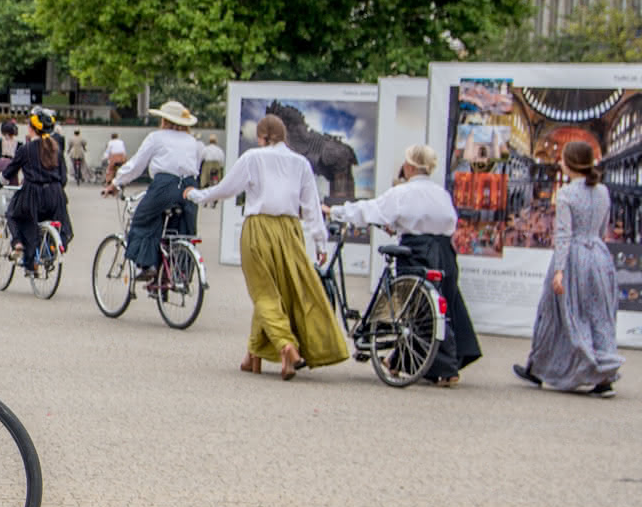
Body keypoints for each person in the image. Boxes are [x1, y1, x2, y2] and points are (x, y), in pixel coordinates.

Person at [187, 113, 347, 379]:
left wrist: (196, 195)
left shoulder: (253, 158)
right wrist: (320, 241)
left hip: (259, 227)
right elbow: (311, 206)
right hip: (290, 229)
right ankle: (254, 356)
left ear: (262, 137)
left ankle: (286, 345)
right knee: (280, 290)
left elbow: (226, 189)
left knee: (263, 292)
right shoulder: (301, 163)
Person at [327, 144, 480, 387]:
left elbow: (371, 209)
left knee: (416, 311)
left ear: (409, 166)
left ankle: (443, 367)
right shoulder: (441, 194)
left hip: (416, 252)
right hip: (444, 254)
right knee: (444, 307)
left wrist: (335, 211)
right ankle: (402, 361)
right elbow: (446, 221)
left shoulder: (403, 193)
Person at [515, 141, 624, 396]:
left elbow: (563, 235)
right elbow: (601, 229)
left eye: (563, 159)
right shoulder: (603, 192)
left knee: (556, 313)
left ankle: (539, 368)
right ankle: (603, 377)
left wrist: (560, 270)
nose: (560, 162)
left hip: (573, 257)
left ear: (571, 163)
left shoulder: (566, 194)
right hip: (598, 256)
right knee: (599, 315)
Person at [107, 101, 202, 279]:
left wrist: (116, 182)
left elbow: (136, 165)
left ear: (164, 120)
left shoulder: (156, 137)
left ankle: (146, 265)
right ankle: (178, 274)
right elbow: (194, 167)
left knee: (143, 219)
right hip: (189, 187)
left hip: (164, 186)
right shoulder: (192, 141)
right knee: (181, 231)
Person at [3, 111, 73, 273]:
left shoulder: (26, 149)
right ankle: (49, 249)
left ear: (32, 128)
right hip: (56, 196)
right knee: (50, 222)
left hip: (33, 195)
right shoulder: (56, 148)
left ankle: (19, 244)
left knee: (12, 214)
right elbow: (63, 177)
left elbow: (9, 172)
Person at [199, 135, 226, 203]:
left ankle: (205, 194)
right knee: (217, 180)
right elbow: (222, 160)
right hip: (216, 165)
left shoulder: (206, 148)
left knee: (204, 179)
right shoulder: (219, 149)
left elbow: (201, 157)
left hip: (208, 165)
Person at [101, 130, 128, 196]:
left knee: (110, 171)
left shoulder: (110, 142)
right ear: (117, 137)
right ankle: (123, 185)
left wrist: (103, 158)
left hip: (114, 159)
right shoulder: (121, 142)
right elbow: (124, 151)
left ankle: (109, 187)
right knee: (122, 171)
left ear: (111, 137)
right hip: (122, 158)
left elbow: (107, 152)